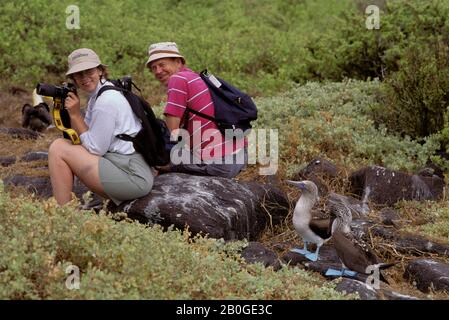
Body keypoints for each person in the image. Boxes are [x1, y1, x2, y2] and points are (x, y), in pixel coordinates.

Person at [48, 48, 154, 206]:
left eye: (89, 71)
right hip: (127, 165)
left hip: (133, 175)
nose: (84, 78)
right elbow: (85, 138)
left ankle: (63, 214)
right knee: (63, 146)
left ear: (100, 71)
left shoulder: (106, 101)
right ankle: (64, 211)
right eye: (79, 74)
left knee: (58, 148)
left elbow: (95, 148)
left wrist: (76, 115)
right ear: (73, 79)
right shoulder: (100, 95)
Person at [146, 42, 247, 178]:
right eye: (153, 67)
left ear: (178, 62)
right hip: (240, 156)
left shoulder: (177, 80)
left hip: (219, 164)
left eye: (162, 65)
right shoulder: (194, 76)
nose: (158, 71)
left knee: (153, 161)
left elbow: (173, 132)